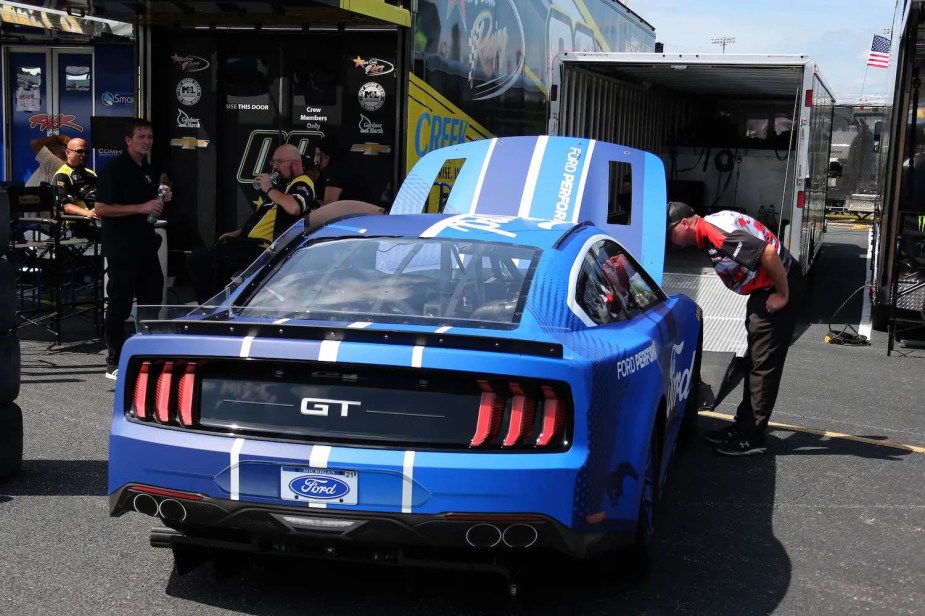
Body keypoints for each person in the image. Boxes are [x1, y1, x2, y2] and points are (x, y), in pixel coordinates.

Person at [666, 201, 805, 456]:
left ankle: (752, 437)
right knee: (753, 360)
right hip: (766, 287)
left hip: (777, 286)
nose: (671, 241)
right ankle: (744, 426)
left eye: (670, 232)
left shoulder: (715, 232)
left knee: (763, 366)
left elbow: (768, 254)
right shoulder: (712, 224)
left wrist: (782, 295)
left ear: (685, 223)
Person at [94, 118, 172, 381]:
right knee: (120, 303)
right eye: (142, 137)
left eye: (150, 137)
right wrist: (141, 207)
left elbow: (153, 201)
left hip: (146, 245)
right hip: (121, 247)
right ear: (128, 140)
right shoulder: (114, 170)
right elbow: (101, 209)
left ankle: (148, 352)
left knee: (152, 298)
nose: (147, 142)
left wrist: (162, 197)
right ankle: (113, 361)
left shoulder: (148, 169)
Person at [187, 144, 314, 304]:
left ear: (295, 164)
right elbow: (263, 221)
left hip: (266, 249)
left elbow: (294, 207)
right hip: (249, 244)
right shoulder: (281, 189)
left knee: (204, 259)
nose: (275, 167)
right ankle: (219, 305)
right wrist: (238, 233)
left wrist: (268, 189)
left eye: (279, 162)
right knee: (204, 259)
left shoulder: (303, 182)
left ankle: (214, 308)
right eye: (273, 162)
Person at [52, 137, 98, 238]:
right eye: (79, 151)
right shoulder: (62, 174)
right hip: (81, 221)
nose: (84, 155)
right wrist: (88, 213)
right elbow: (65, 206)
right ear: (68, 153)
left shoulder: (92, 174)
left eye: (86, 152)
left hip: (101, 214)